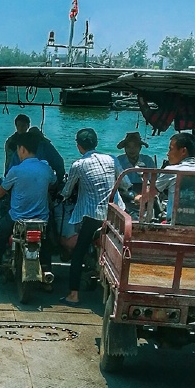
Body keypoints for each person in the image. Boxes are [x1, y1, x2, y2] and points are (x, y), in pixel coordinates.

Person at [0, 129, 53, 295]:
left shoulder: (16, 170)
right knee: (47, 244)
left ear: (22, 149)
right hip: (41, 219)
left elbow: (2, 190)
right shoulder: (46, 168)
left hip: (17, 218)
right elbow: (53, 182)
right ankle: (47, 279)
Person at [60, 127, 118, 305]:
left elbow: (67, 191)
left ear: (79, 146)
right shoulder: (112, 159)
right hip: (115, 214)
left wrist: (62, 194)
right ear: (96, 143)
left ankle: (74, 295)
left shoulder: (78, 165)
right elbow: (125, 184)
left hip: (93, 216)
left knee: (78, 253)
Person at [151, 133, 195, 219]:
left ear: (183, 151)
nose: (167, 153)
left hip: (175, 222)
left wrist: (138, 198)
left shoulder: (170, 171)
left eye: (170, 149)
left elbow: (150, 194)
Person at [114, 131, 156, 210]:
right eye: (129, 147)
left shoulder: (147, 160)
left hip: (144, 191)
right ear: (125, 148)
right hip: (124, 192)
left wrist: (144, 194)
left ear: (140, 148)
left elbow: (153, 181)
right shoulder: (119, 160)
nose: (131, 150)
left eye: (135, 146)